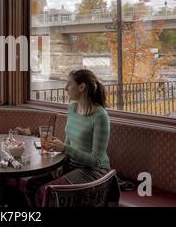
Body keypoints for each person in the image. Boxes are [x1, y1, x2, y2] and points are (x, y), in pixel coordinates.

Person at [24, 69, 111, 207]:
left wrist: (65, 148)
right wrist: (61, 162)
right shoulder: (72, 108)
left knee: (46, 193)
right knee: (31, 185)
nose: (65, 88)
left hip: (93, 172)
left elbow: (96, 161)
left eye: (69, 84)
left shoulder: (100, 117)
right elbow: (69, 140)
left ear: (82, 87)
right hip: (72, 165)